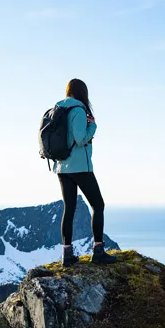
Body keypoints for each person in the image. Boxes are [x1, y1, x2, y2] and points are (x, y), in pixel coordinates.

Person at [53, 78, 116, 266]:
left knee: (69, 209)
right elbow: (81, 139)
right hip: (80, 167)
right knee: (98, 205)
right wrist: (93, 126)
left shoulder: (58, 109)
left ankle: (67, 255)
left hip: (61, 167)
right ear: (83, 93)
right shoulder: (78, 110)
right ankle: (98, 251)